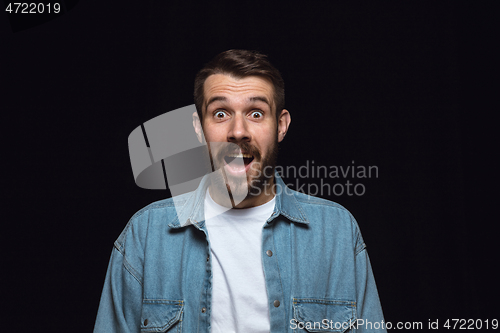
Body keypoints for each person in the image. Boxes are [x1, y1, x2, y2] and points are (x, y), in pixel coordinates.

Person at [94, 49, 386, 333]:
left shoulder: (336, 232)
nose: (237, 131)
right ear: (198, 127)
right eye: (220, 113)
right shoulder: (145, 235)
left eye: (256, 113)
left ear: (281, 125)